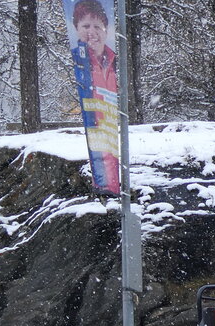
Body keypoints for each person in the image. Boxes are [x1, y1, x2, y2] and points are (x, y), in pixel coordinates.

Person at [70, 0, 120, 194]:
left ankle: (111, 184)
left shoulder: (113, 60)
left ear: (106, 30)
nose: (92, 31)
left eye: (97, 26)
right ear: (76, 29)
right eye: (86, 26)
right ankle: (103, 183)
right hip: (96, 135)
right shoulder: (79, 60)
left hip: (109, 129)